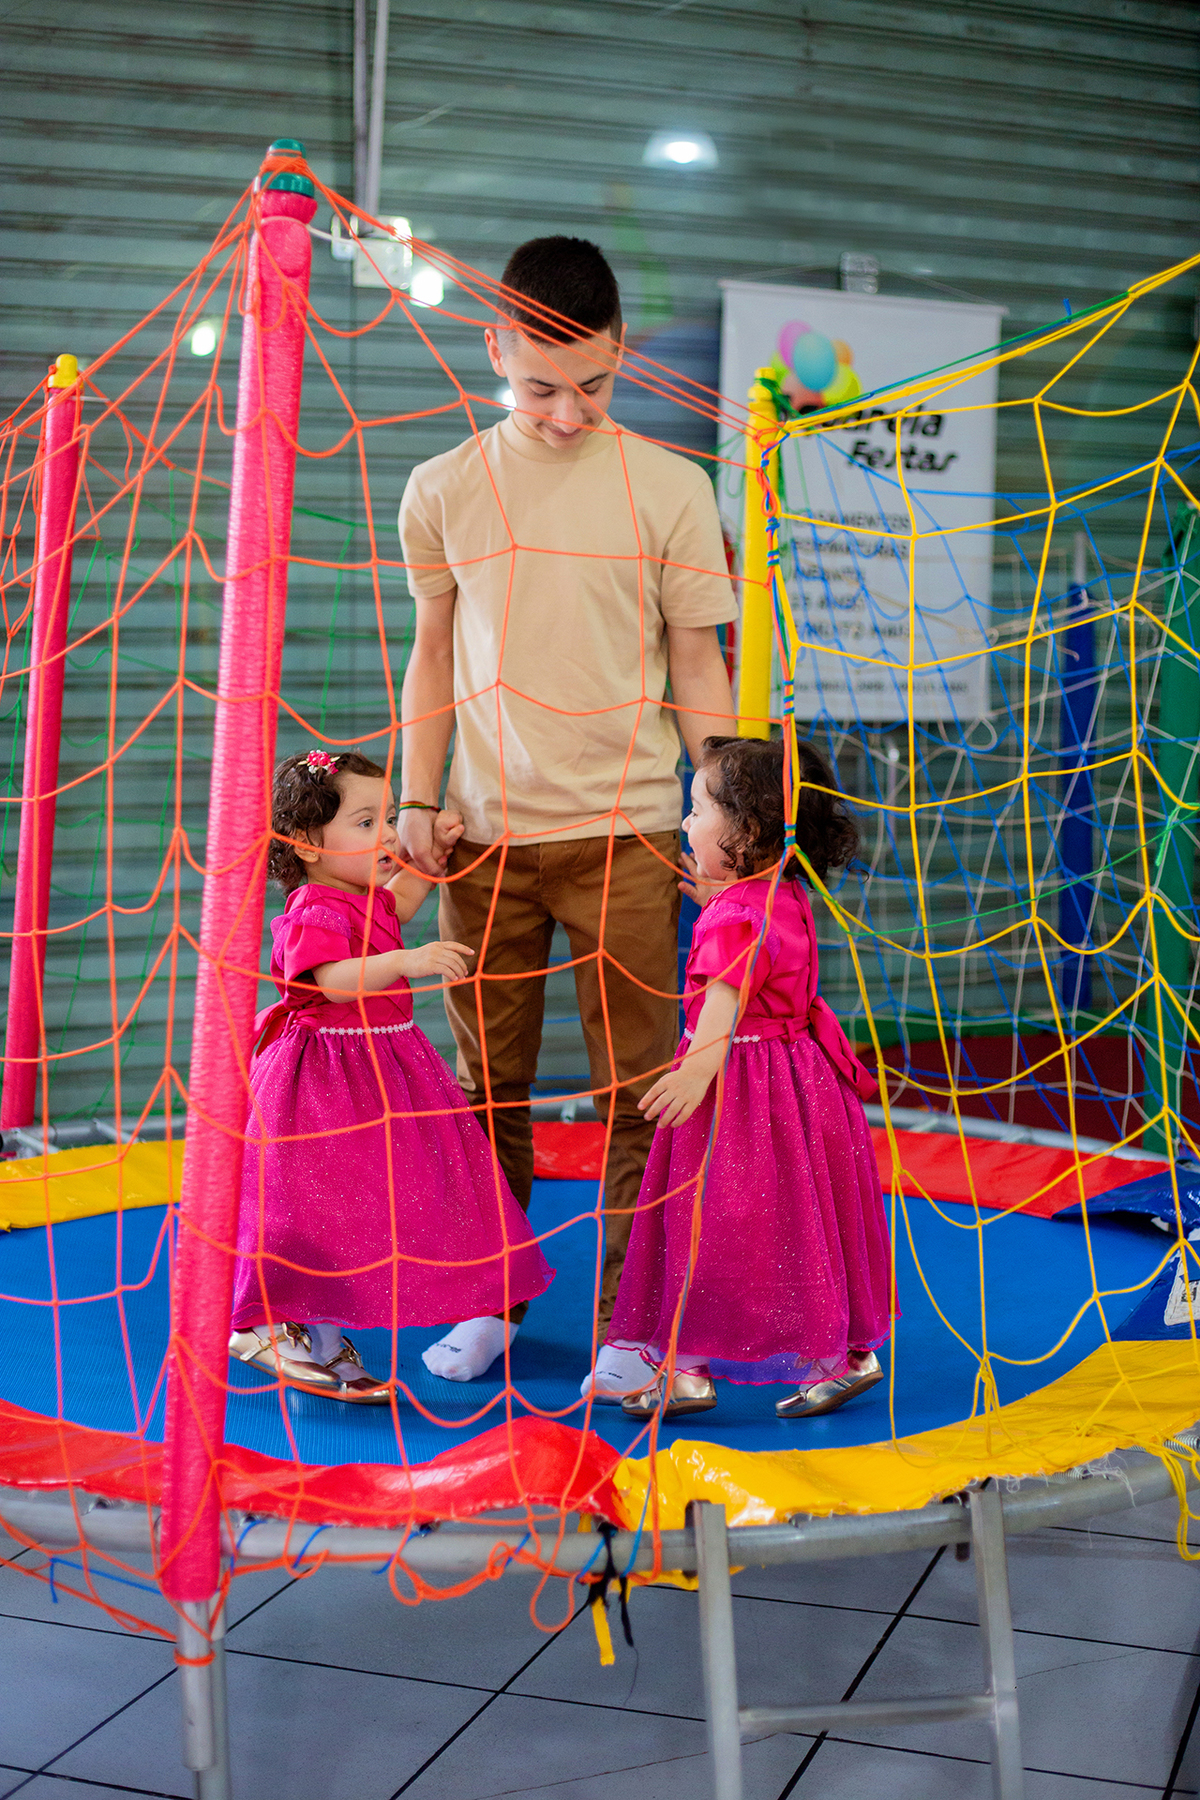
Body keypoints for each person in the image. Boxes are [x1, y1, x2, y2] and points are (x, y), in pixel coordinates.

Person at [396, 235, 737, 1392]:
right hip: (485, 843)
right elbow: (433, 654)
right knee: (482, 1086)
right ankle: (492, 1296)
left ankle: (633, 1328)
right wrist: (412, 795)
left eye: (594, 383)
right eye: (540, 385)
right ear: (494, 348)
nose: (568, 411)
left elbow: (700, 661)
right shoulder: (442, 489)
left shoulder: (673, 487)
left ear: (622, 352)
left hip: (632, 836)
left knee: (642, 1085)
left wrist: (727, 808)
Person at [228, 749, 553, 1402]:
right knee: (308, 1207)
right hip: (323, 1075)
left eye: (387, 817)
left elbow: (399, 901)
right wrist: (412, 960)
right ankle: (274, 1322)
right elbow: (335, 982)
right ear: (308, 846)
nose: (384, 835)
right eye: (364, 822)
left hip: (381, 1066)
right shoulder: (315, 904)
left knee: (373, 1204)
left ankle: (318, 1330)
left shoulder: (363, 895)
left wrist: (431, 857)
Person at [609, 735, 894, 1421]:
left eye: (698, 809)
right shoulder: (781, 894)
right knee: (800, 1222)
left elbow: (725, 1004)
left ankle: (686, 1368)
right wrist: (720, 896)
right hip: (801, 1082)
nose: (685, 822)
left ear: (748, 832)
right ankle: (845, 1354)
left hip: (741, 1093)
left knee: (705, 1224)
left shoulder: (734, 917)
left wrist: (695, 1071)